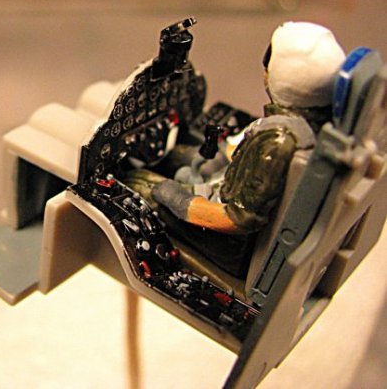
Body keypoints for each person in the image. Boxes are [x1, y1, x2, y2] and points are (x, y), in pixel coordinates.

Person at [126, 22, 347, 277]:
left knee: (136, 183)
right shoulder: (311, 126)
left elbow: (238, 217)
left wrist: (181, 201)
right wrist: (224, 155)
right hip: (225, 192)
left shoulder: (278, 141)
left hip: (231, 245)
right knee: (177, 155)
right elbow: (254, 169)